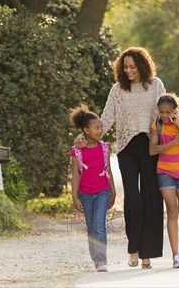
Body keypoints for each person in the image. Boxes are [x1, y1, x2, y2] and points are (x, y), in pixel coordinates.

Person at [74, 47, 171, 269]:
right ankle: (134, 249)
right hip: (127, 148)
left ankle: (148, 253)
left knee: (150, 196)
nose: (128, 71)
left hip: (150, 146)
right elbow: (106, 119)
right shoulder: (117, 90)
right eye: (125, 67)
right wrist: (83, 136)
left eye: (132, 67)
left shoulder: (156, 85)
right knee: (133, 198)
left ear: (142, 66)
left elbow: (164, 115)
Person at [149, 93, 179, 268]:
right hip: (165, 171)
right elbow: (152, 150)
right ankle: (175, 255)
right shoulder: (157, 125)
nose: (164, 115)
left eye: (168, 112)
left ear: (176, 109)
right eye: (161, 112)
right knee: (171, 211)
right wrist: (171, 144)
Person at [69, 105, 116, 272]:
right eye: (96, 128)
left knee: (99, 225)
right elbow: (75, 175)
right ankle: (96, 259)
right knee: (91, 227)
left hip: (102, 191)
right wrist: (74, 197)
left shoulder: (104, 147)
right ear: (86, 130)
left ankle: (102, 260)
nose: (100, 131)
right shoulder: (77, 151)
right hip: (85, 195)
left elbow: (108, 169)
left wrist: (113, 191)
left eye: (101, 128)